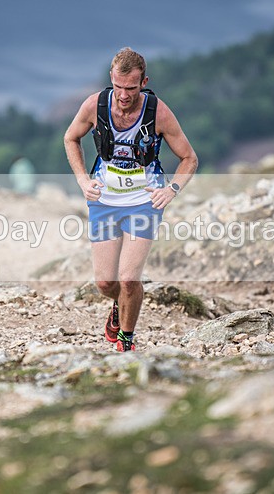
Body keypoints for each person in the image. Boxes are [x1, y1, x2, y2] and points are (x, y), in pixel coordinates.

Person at [63, 47, 198, 352]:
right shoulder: (95, 105)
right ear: (112, 79)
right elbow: (70, 138)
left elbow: (189, 158)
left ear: (144, 82)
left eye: (131, 88)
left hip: (143, 201)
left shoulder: (158, 112)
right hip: (104, 200)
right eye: (119, 87)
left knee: (127, 280)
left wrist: (171, 190)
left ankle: (127, 341)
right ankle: (120, 307)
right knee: (105, 285)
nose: (124, 95)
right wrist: (83, 179)